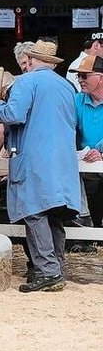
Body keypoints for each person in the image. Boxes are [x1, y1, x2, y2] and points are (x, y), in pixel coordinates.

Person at [0, 40, 83, 292]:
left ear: (30, 60)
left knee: (35, 213)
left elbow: (14, 115)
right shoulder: (66, 86)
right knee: (55, 214)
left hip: (35, 159)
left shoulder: (26, 82)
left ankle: (47, 271)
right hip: (62, 160)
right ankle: (57, 268)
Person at [72, 55, 103, 228]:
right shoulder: (77, 99)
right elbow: (69, 127)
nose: (80, 80)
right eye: (79, 76)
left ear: (100, 78)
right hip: (87, 162)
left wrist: (100, 151)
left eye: (85, 76)